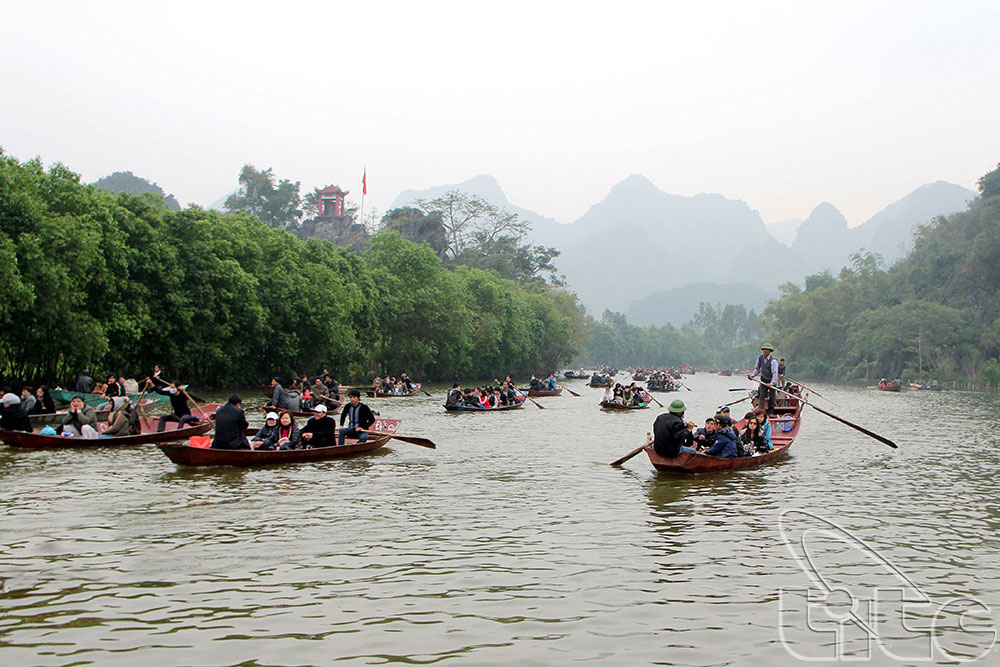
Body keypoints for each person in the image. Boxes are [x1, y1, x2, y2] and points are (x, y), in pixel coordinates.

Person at [748, 343, 780, 413]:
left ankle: (771, 411)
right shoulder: (760, 358)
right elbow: (757, 369)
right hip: (763, 379)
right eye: (764, 350)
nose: (765, 351)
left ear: (770, 351)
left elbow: (775, 374)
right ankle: (761, 411)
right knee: (762, 395)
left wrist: (771, 383)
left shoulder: (773, 361)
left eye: (766, 350)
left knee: (772, 396)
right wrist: (753, 375)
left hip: (771, 380)